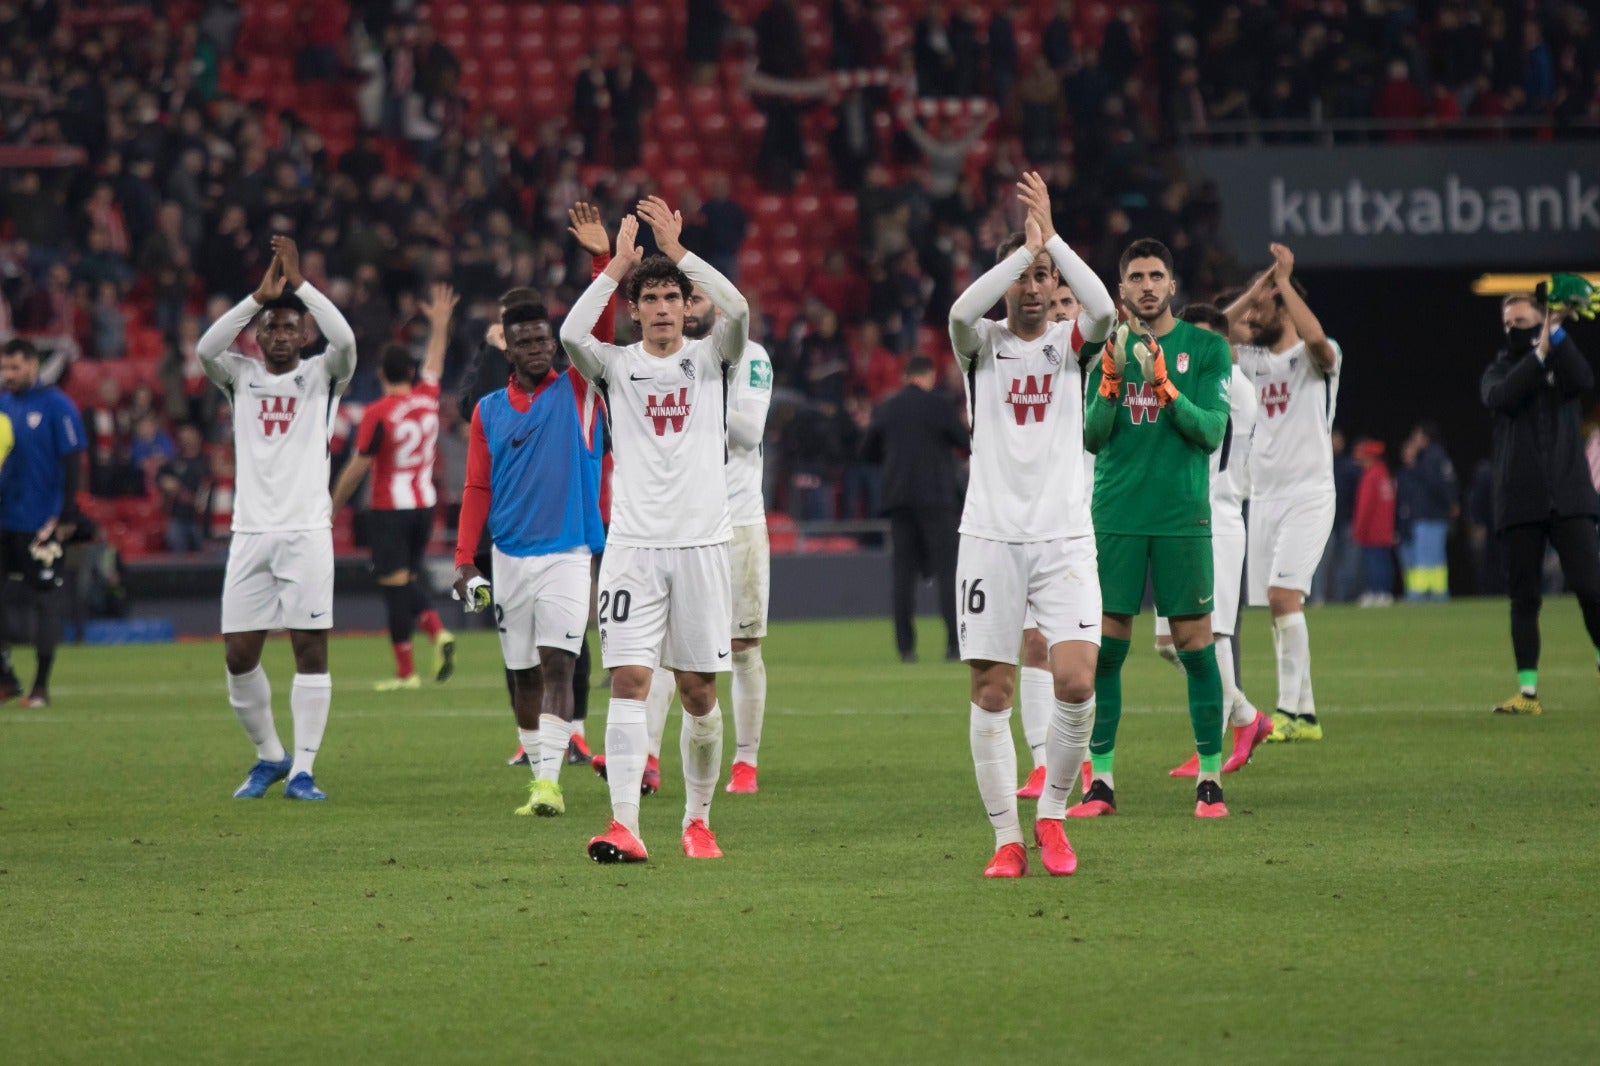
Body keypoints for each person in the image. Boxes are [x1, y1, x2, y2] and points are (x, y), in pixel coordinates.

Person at [560, 198, 750, 863]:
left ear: (686, 305)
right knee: (630, 682)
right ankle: (624, 825)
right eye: (654, 297)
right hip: (633, 551)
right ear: (636, 310)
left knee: (699, 693)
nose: (666, 306)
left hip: (701, 547)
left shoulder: (709, 359)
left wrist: (683, 249)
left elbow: (742, 312)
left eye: (674, 296)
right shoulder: (613, 367)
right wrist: (614, 268)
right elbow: (569, 335)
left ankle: (698, 820)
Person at [947, 172, 1114, 878]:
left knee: (1077, 682)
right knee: (993, 692)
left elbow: (1103, 310)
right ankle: (1005, 839)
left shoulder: (1071, 344)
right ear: (1007, 280)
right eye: (1025, 276)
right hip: (988, 540)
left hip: (1064, 538)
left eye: (1046, 277)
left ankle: (1050, 815)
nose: (1036, 287)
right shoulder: (979, 345)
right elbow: (959, 310)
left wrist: (1054, 240)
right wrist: (1023, 252)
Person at [1078, 238, 1233, 819]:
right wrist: (1114, 381)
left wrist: (1165, 384)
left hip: (1181, 517)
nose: (1146, 285)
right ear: (1121, 290)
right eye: (1136, 276)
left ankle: (1210, 781)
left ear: (1173, 286)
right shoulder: (1105, 349)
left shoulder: (1208, 349)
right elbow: (1092, 436)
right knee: (1107, 655)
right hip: (1116, 515)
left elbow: (1210, 432)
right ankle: (1102, 784)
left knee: (1196, 650)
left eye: (1156, 275)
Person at [198, 236, 355, 801]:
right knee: (239, 655)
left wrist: (303, 284)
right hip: (249, 534)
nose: (283, 335)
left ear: (304, 335)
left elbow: (347, 338)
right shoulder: (239, 375)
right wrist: (254, 298)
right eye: (273, 327)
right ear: (258, 336)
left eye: (292, 327)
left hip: (307, 533)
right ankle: (270, 755)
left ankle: (304, 771)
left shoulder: (323, 375)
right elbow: (204, 350)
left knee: (310, 649)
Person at [452, 295, 606, 817]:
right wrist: (463, 560)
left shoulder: (578, 390)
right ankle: (540, 771)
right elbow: (476, 487)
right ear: (509, 350)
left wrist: (603, 262)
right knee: (523, 674)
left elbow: (601, 327)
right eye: (526, 342)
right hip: (508, 557)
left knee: (559, 663)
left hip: (567, 554)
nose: (538, 348)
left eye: (545, 339)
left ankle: (548, 784)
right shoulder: (487, 410)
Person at [627, 283, 775, 795]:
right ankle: (647, 757)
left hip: (736, 521)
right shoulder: (662, 360)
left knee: (742, 646)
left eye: (696, 300)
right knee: (669, 651)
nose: (688, 309)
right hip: (679, 522)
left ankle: (746, 762)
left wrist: (687, 402)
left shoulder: (750, 358)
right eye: (682, 300)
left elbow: (748, 434)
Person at [1225, 243, 1342, 744]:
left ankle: (1297, 713)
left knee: (1281, 596)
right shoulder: (1250, 361)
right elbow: (1210, 332)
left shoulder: (1316, 358)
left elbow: (1316, 339)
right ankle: (1303, 709)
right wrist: (1258, 288)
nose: (1251, 315)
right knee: (1276, 608)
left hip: (1309, 493)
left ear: (1286, 306)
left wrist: (1285, 284)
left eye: (1261, 307)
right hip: (1264, 498)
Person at [1158, 302, 1274, 778]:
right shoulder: (1202, 378)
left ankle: (1222, 732)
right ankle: (1243, 716)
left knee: (1214, 634)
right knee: (1170, 642)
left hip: (1217, 519)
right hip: (1181, 521)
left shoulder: (1234, 387)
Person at [331, 284, 457, 691]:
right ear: (410, 372)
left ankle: (415, 662)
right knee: (404, 582)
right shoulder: (428, 398)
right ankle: (427, 645)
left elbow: (358, 466)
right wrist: (440, 323)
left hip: (389, 508)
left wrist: (331, 505)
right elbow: (435, 362)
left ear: (382, 373)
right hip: (425, 506)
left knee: (394, 588)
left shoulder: (377, 412)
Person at [1481, 292, 1600, 716]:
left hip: (1570, 494)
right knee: (1525, 597)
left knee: (1591, 587)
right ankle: (1527, 693)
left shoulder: (1560, 361)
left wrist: (1556, 332)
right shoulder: (1500, 368)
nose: (1514, 328)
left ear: (1540, 319)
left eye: (1523, 320)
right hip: (1520, 499)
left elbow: (1584, 379)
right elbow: (1502, 397)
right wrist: (1541, 349)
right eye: (1508, 322)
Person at [1015, 277, 1086, 800]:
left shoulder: (1097, 359)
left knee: (1080, 660)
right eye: (1054, 303)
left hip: (1081, 524)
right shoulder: (1025, 360)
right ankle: (1042, 763)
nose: (1059, 311)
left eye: (1068, 303)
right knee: (1032, 645)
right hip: (1022, 527)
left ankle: (1089, 760)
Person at [860, 356, 968, 663]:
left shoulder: (887, 407)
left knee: (903, 574)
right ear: (930, 375)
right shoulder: (939, 405)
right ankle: (953, 645)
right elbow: (965, 441)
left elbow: (865, 452)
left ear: (906, 376)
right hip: (937, 498)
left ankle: (905, 648)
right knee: (948, 572)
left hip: (899, 499)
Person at [0, 338, 85, 707]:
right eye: (3, 369)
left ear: (33, 366)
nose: (7, 376)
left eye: (14, 368)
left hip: (42, 525)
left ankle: (40, 688)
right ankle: (6, 677)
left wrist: (67, 514)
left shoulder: (57, 406)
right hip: (4, 521)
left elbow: (73, 462)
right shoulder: (2, 405)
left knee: (44, 602)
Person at [1395, 421, 1456, 602]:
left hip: (1428, 514)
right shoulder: (1435, 456)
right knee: (1436, 557)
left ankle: (1419, 594)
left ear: (1425, 437)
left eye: (1417, 435)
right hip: (1433, 514)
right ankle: (1438, 593)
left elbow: (1437, 483)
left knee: (1425, 557)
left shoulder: (1429, 457)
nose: (1415, 439)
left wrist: (1450, 502)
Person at [1351, 439, 1396, 607]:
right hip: (1385, 528)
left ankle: (1376, 592)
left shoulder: (1370, 476)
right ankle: (1384, 592)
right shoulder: (1384, 473)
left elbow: (1365, 506)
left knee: (1373, 563)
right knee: (1383, 562)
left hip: (1372, 530)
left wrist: (1358, 530)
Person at [156, 425, 211, 553]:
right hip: (178, 517)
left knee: (206, 557)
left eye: (190, 436)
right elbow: (159, 476)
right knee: (177, 557)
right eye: (184, 436)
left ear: (199, 437)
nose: (187, 440)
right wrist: (165, 481)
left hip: (201, 519)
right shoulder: (174, 460)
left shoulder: (206, 461)